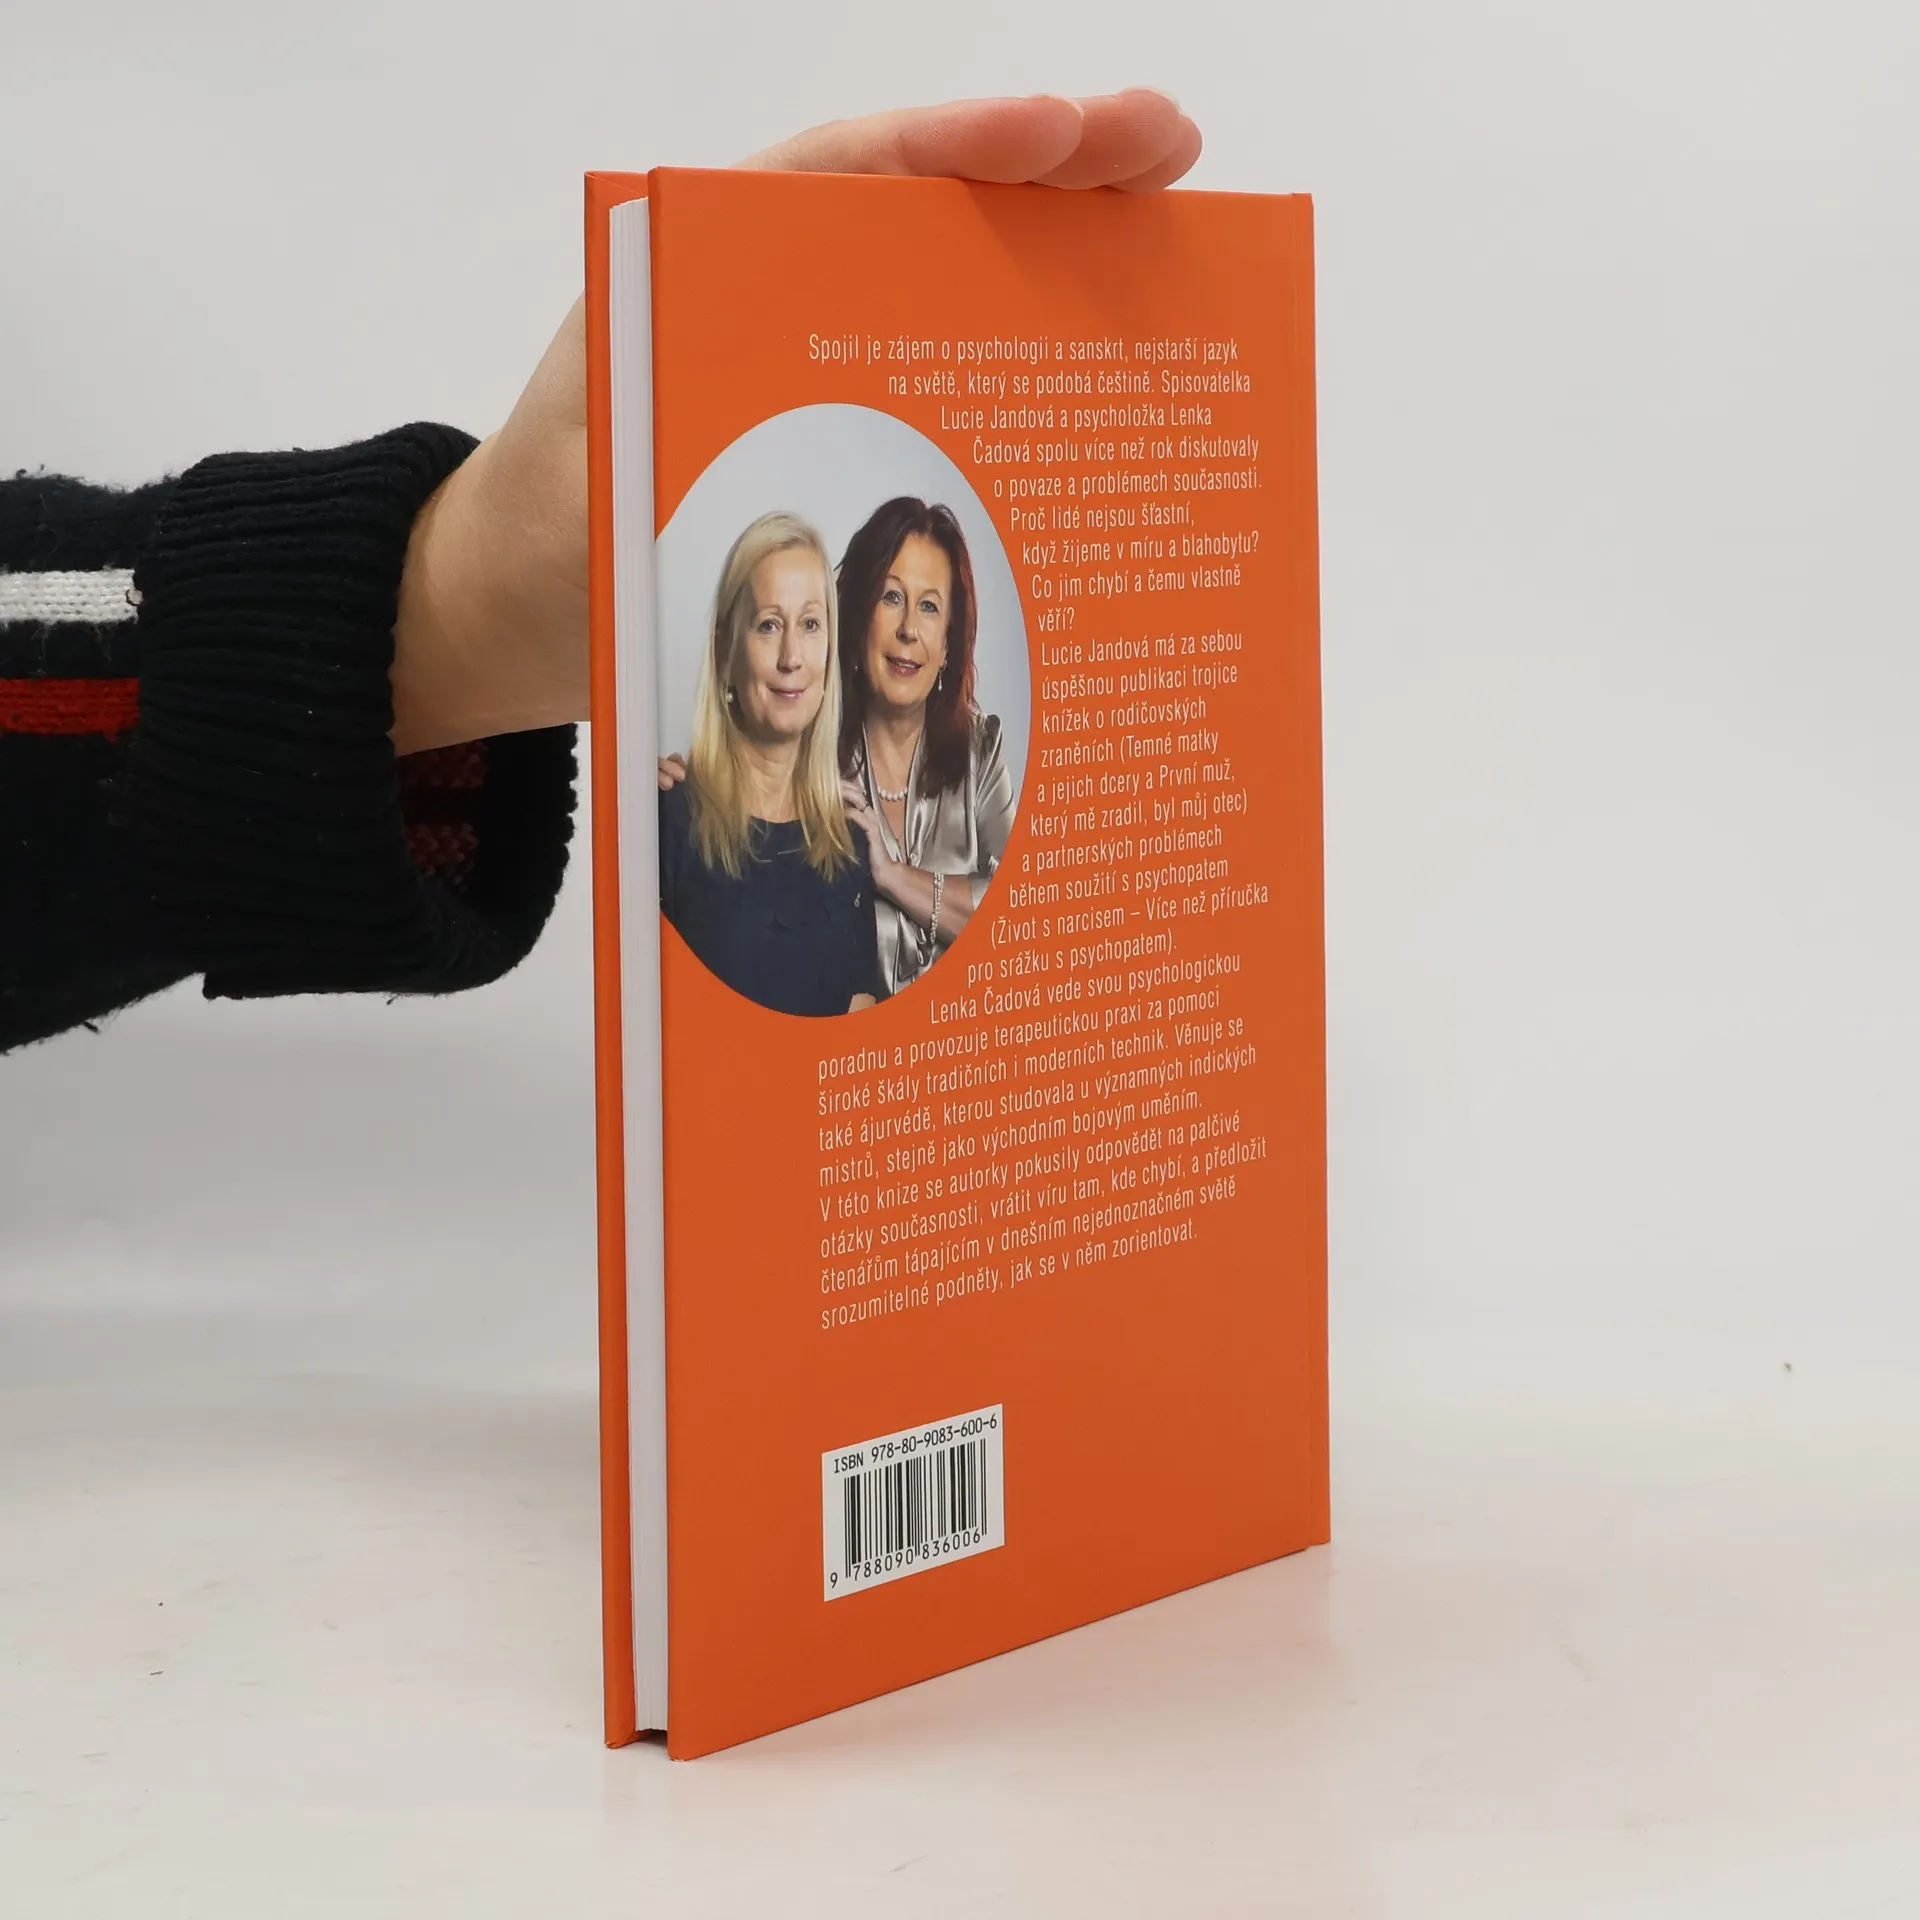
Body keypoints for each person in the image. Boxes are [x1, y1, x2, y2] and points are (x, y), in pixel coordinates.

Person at [0, 91, 1202, 1055]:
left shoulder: (965, 766)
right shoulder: (696, 813)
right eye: (874, 597)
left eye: (927, 605)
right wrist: (456, 603)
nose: (889, 629)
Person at [658, 514, 879, 1016]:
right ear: (726, 653)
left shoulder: (849, 842)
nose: (791, 656)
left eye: (810, 624)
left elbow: (859, 1038)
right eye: (768, 625)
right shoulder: (666, 819)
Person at [836, 498, 1016, 995]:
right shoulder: (809, 760)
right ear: (859, 616)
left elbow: (1021, 915)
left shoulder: (982, 751)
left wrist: (893, 877)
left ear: (948, 643)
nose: (909, 629)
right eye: (891, 597)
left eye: (930, 606)